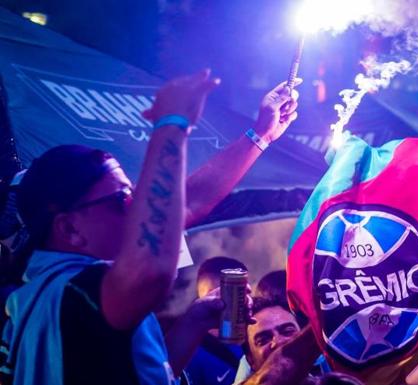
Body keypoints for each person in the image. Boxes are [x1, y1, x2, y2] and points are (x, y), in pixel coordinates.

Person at [0, 70, 301, 385]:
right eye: (121, 199)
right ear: (70, 228)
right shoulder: (76, 290)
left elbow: (148, 371)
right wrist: (171, 123)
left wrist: (261, 135)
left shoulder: (53, 290)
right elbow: (155, 267)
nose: (137, 208)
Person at [185, 257, 249, 385]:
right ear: (200, 298)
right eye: (214, 295)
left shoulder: (260, 338)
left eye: (237, 294)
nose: (223, 303)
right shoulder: (188, 354)